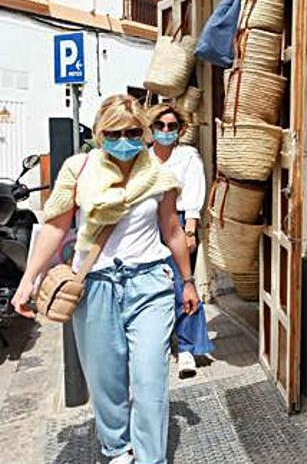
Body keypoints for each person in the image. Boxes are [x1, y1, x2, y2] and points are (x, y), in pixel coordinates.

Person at [11, 94, 198, 464]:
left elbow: (173, 231)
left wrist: (187, 281)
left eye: (132, 132)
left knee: (150, 380)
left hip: (149, 284)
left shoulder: (160, 177)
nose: (124, 140)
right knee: (105, 379)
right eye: (114, 132)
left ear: (143, 133)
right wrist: (28, 280)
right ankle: (117, 448)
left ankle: (150, 458)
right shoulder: (78, 170)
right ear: (99, 133)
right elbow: (54, 226)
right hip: (95, 284)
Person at [148, 104, 214, 378]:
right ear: (150, 129)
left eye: (171, 126)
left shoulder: (187, 156)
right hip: (147, 222)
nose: (165, 131)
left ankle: (187, 349)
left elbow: (195, 191)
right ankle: (160, 343)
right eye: (160, 125)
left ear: (180, 130)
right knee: (154, 284)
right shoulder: (142, 158)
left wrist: (190, 230)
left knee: (183, 284)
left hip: (180, 220)